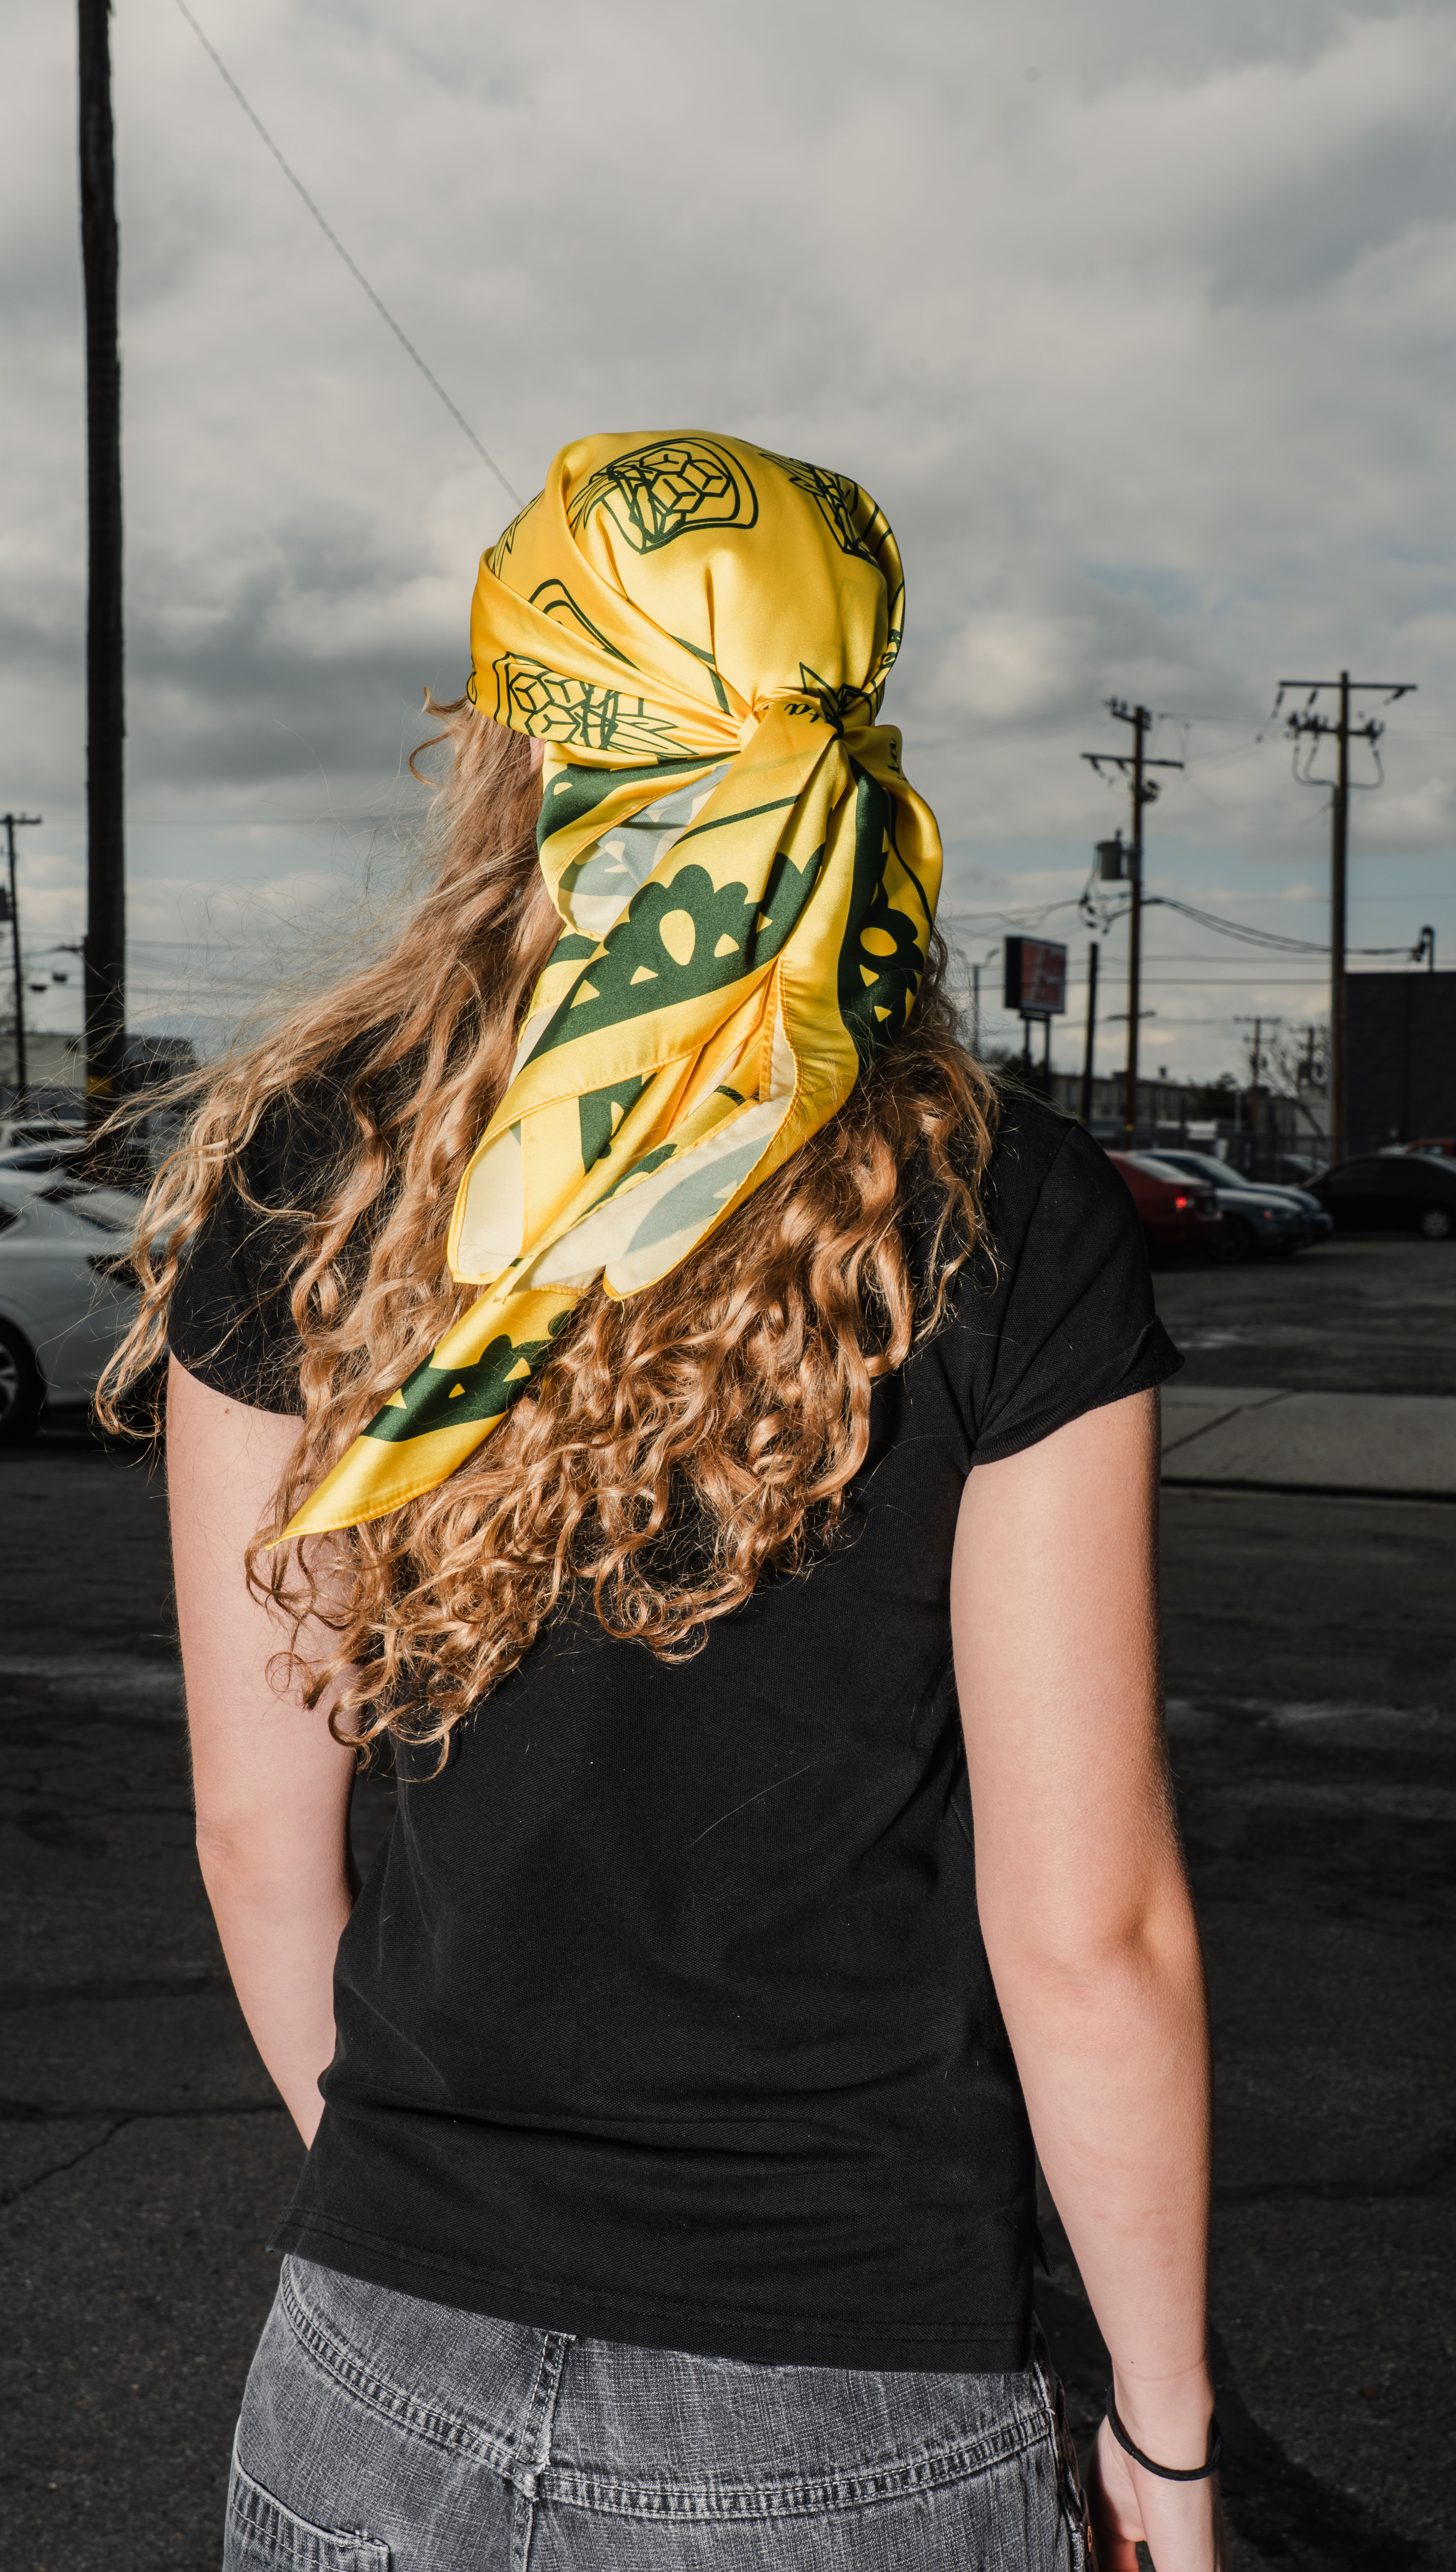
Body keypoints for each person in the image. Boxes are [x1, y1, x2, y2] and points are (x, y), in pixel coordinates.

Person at [105, 431, 1230, 2572]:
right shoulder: (1000, 1206)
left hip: (372, 2374)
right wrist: (1164, 2449)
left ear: (516, 738)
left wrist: (422, 2222)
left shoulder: (319, 1169)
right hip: (851, 2400)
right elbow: (1087, 1936)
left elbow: (259, 1836)